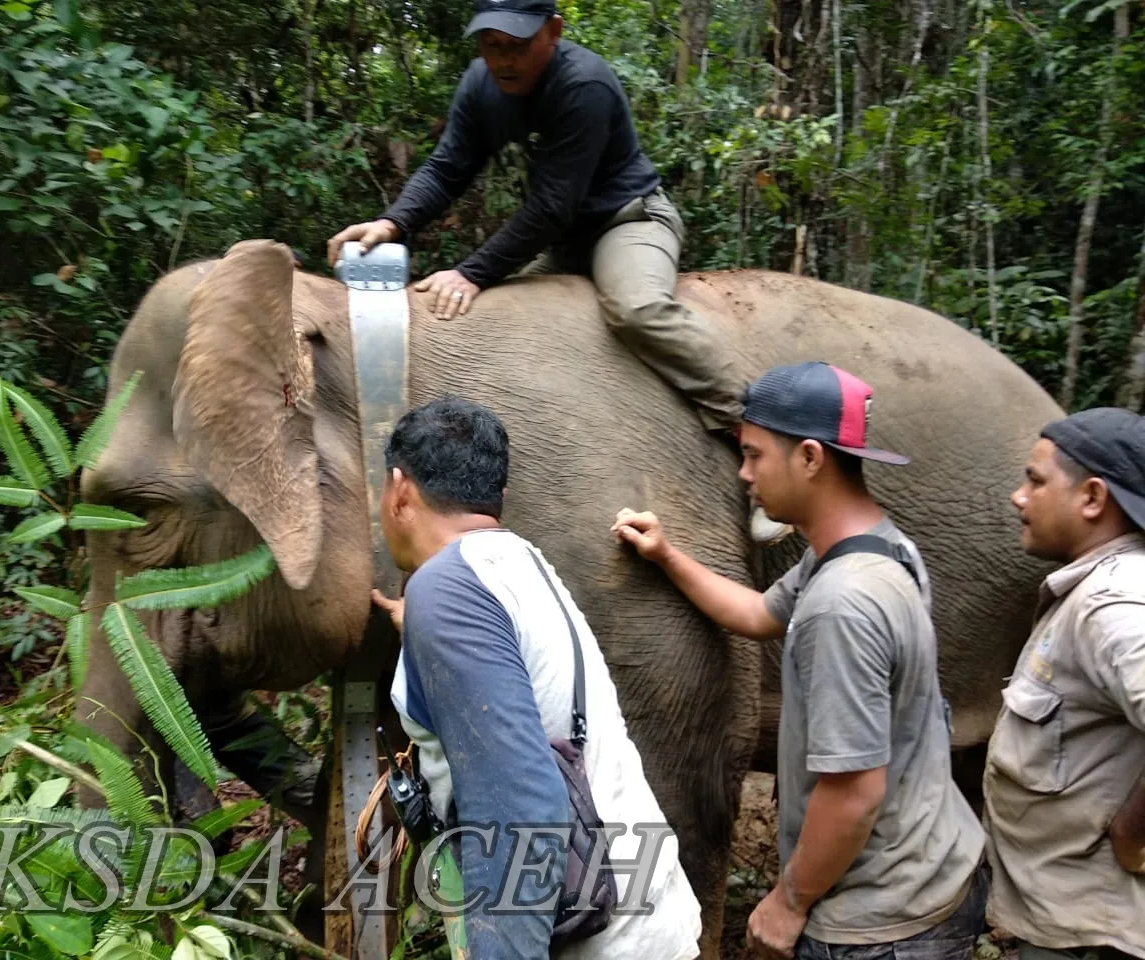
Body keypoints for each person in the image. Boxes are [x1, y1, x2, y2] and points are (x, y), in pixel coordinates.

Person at [327, 0, 790, 542]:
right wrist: (392, 223)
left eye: (518, 45)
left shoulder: (582, 85)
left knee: (635, 309)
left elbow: (552, 205)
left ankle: (765, 435)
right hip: (566, 239)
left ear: (553, 32)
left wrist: (472, 272)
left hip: (629, 221)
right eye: (491, 44)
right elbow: (448, 165)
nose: (503, 59)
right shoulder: (481, 85)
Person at [611, 361, 987, 960]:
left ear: (810, 458)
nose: (744, 474)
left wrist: (789, 902)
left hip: (882, 923)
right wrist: (667, 557)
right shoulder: (872, 549)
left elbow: (854, 791)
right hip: (925, 873)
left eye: (755, 455)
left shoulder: (843, 605)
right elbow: (758, 614)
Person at [371, 396, 702, 959]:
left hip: (591, 942)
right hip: (644, 916)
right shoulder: (518, 562)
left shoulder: (445, 592)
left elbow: (522, 802)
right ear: (496, 497)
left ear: (400, 488)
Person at [982, 407, 1145, 960]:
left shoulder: (1114, 606)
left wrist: (1132, 831)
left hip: (1093, 933)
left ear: (1093, 498)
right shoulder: (1096, 589)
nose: (1017, 497)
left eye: (1035, 480)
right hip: (1071, 921)